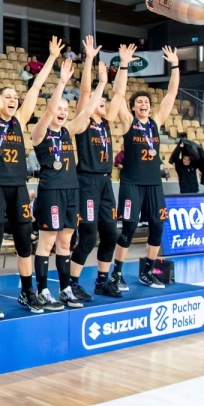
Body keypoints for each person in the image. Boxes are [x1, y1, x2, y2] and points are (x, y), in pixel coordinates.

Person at [0, 36, 63, 314]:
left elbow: (37, 87)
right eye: (8, 97)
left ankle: (28, 291)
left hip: (18, 188)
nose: (13, 100)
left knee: (25, 243)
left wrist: (51, 58)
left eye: (15, 97)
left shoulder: (19, 120)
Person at [30, 58, 101, 309]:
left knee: (65, 242)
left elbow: (87, 112)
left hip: (72, 191)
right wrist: (61, 81)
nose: (61, 112)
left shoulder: (68, 131)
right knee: (46, 242)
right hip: (51, 192)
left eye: (65, 109)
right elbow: (49, 111)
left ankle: (65, 289)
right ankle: (42, 291)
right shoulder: (40, 132)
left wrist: (101, 84)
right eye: (58, 108)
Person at [108, 43, 179, 290]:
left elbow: (170, 95)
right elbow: (118, 93)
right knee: (128, 227)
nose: (143, 105)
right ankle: (116, 273)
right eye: (138, 102)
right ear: (133, 107)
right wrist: (124, 64)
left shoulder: (156, 123)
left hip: (153, 185)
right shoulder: (129, 123)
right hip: (131, 184)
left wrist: (176, 65)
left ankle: (147, 272)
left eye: (146, 102)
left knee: (158, 226)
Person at [68, 36, 121, 300]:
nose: (103, 102)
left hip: (105, 182)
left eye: (104, 101)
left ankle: (102, 280)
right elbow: (87, 93)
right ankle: (73, 283)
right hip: (86, 181)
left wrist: (121, 67)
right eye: (100, 101)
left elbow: (119, 94)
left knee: (111, 233)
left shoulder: (106, 123)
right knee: (88, 235)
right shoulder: (85, 120)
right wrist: (89, 60)